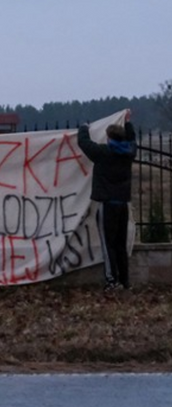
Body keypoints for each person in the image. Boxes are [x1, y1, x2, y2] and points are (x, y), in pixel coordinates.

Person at [77, 112, 137, 291]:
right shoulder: (129, 153)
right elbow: (133, 141)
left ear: (109, 138)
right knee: (120, 244)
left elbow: (84, 144)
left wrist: (83, 128)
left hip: (107, 205)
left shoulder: (104, 153)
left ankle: (111, 281)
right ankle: (125, 281)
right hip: (122, 204)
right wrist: (128, 124)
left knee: (108, 244)